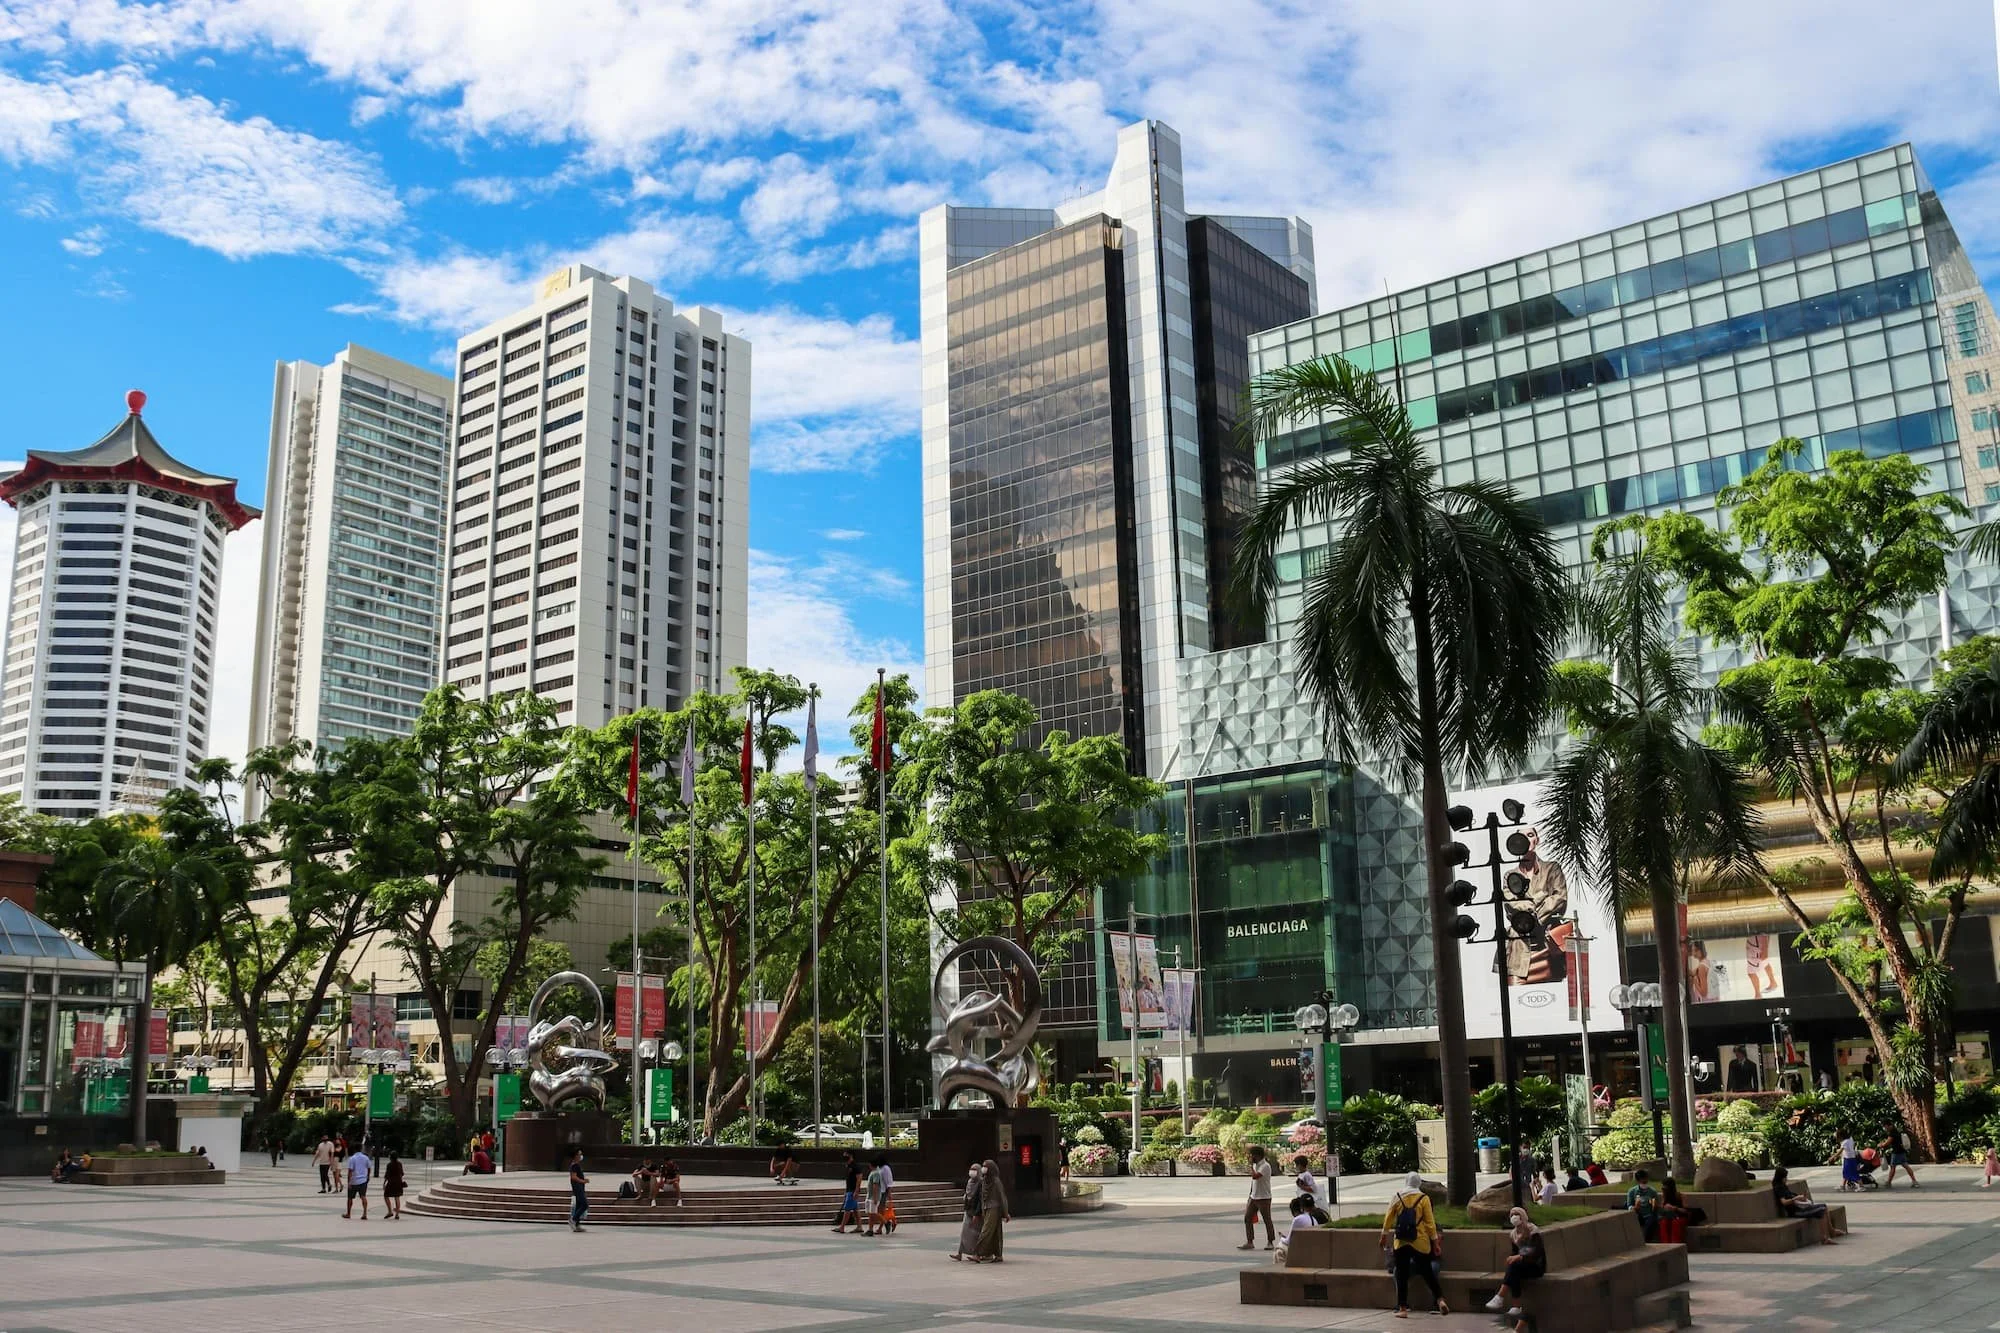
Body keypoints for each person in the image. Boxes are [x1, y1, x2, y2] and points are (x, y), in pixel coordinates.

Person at [1379, 1173, 1447, 1319]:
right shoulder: (1424, 1198)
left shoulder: (1397, 1196)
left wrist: (1383, 1236)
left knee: (1401, 1274)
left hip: (1401, 1241)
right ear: (1418, 1184)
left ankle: (1402, 1308)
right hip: (1420, 1241)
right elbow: (1430, 1223)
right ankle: (1440, 1300)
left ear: (1406, 1182)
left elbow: (1388, 1218)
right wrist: (1435, 1243)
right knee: (1428, 1272)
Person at [1484, 1207, 1543, 1320]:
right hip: (1522, 1266)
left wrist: (1520, 1257)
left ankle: (1501, 1297)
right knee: (1513, 1268)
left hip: (1536, 1266)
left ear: (1523, 1216)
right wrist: (1513, 1257)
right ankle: (1515, 1306)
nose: (1514, 1217)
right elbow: (1515, 1252)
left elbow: (1537, 1252)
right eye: (1512, 1215)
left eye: (1517, 1214)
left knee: (1514, 1266)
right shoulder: (1513, 1234)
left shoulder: (1533, 1230)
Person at [1772, 1167, 1835, 1244]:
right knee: (1821, 1210)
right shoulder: (1778, 1188)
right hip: (1796, 1212)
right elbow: (1784, 1202)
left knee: (1824, 1206)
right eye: (1785, 1177)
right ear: (1780, 1177)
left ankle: (1831, 1231)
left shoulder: (1783, 1185)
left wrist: (1801, 1198)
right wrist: (1795, 1198)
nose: (1786, 1179)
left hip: (1799, 1207)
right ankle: (1824, 1238)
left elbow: (1790, 1196)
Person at [1238, 1144, 1275, 1250]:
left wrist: (1251, 1166)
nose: (1250, 1158)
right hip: (1254, 1197)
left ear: (1257, 1156)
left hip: (1264, 1197)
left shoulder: (1265, 1166)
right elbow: (1253, 1183)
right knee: (1247, 1218)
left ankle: (1270, 1241)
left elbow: (1255, 1177)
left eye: (1252, 1155)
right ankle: (1250, 1241)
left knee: (1267, 1219)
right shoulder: (1256, 1165)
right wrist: (1250, 1195)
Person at [974, 1157, 1009, 1262]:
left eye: (986, 1166)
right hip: (986, 1208)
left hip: (994, 1208)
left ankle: (978, 1253)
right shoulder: (984, 1180)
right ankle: (997, 1255)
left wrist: (1005, 1213)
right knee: (995, 1232)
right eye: (983, 1166)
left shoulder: (996, 1181)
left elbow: (1002, 1197)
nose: (983, 1168)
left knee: (986, 1231)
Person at [949, 1162, 982, 1261]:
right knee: (964, 1233)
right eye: (971, 1169)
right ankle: (959, 1253)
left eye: (975, 1170)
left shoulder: (981, 1183)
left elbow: (980, 1199)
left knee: (976, 1234)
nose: (972, 1172)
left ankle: (977, 1254)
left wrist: (977, 1213)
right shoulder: (969, 1182)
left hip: (976, 1212)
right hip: (968, 1210)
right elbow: (967, 1195)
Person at [1624, 1169, 1660, 1242]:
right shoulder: (1632, 1191)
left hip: (1649, 1215)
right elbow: (1629, 1205)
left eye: (1646, 1181)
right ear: (1638, 1181)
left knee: (1651, 1221)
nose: (1644, 1183)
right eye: (1643, 1181)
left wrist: (1654, 1206)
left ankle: (1646, 1241)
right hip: (1637, 1215)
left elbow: (1656, 1207)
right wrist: (1634, 1208)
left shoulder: (1652, 1191)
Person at [1880, 1121, 1918, 1188]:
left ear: (1888, 1126)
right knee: (1905, 1165)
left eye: (1885, 1126)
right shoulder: (1896, 1131)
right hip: (1901, 1151)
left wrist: (1881, 1145)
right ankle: (1914, 1181)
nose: (1885, 1128)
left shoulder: (1892, 1133)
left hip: (1896, 1152)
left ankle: (1889, 1182)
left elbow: (1887, 1142)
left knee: (1893, 1167)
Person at [833, 1151, 864, 1234]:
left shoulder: (855, 1166)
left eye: (846, 1154)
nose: (844, 1156)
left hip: (853, 1191)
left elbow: (859, 1178)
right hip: (849, 1190)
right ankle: (859, 1226)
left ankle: (842, 1227)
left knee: (847, 1209)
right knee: (855, 1209)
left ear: (850, 1155)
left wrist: (856, 1191)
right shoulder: (848, 1165)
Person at [342, 1142, 372, 1220]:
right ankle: (365, 1213)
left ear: (354, 1149)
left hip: (354, 1181)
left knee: (350, 1198)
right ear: (361, 1149)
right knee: (363, 1196)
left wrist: (348, 1182)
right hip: (363, 1180)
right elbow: (369, 1168)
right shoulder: (366, 1158)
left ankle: (348, 1213)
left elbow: (350, 1171)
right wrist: (368, 1176)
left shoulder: (352, 1158)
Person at [567, 1148, 589, 1232]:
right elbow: (573, 1177)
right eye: (579, 1154)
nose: (581, 1156)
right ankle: (573, 1219)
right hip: (577, 1188)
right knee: (584, 1204)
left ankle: (577, 1225)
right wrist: (583, 1181)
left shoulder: (576, 1165)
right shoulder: (574, 1165)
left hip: (580, 1187)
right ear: (576, 1156)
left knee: (579, 1205)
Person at [864, 1156, 886, 1236]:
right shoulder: (873, 1172)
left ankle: (886, 1222)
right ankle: (870, 1230)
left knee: (873, 1213)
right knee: (870, 1213)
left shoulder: (876, 1173)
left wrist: (875, 1197)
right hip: (869, 1196)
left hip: (873, 1197)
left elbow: (875, 1185)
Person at [876, 1155, 897, 1233]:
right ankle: (882, 1226)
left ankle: (884, 1225)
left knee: (879, 1211)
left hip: (883, 1191)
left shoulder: (886, 1168)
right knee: (881, 1211)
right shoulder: (879, 1168)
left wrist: (889, 1193)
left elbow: (888, 1181)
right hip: (878, 1191)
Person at [382, 1152, 405, 1220]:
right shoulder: (399, 1164)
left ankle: (390, 1211)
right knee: (397, 1197)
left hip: (391, 1182)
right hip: (398, 1182)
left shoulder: (389, 1165)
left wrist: (384, 1183)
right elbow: (402, 1174)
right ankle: (397, 1214)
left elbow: (387, 1175)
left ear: (390, 1157)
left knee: (386, 1195)